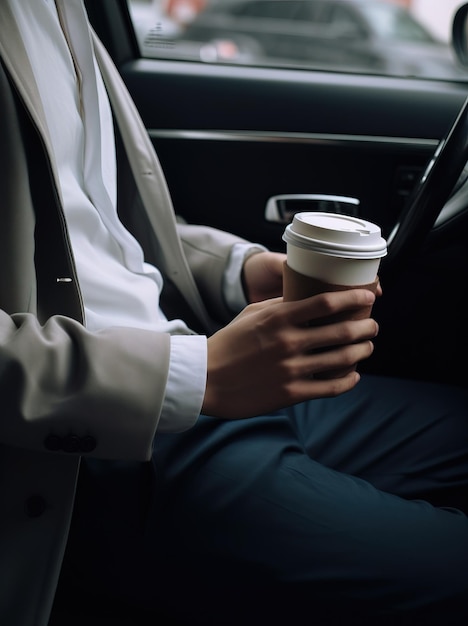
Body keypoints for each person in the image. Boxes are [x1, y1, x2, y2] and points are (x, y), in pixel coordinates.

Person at [0, 2, 466, 625]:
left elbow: (94, 226)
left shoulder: (63, 11)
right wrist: (197, 374)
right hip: (102, 442)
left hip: (197, 368)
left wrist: (241, 270)